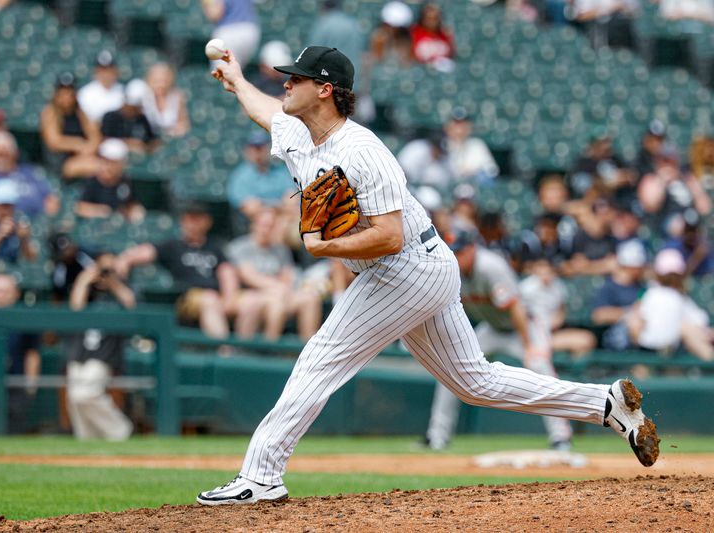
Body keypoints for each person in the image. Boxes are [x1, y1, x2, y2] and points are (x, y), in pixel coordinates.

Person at [197, 45, 659, 505]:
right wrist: (237, 80)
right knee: (475, 384)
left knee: (321, 357)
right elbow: (266, 112)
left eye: (296, 78)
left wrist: (326, 246)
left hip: (405, 265)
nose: (286, 83)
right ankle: (605, 404)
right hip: (421, 267)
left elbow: (390, 236)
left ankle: (261, 475)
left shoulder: (363, 152)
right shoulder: (298, 132)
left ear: (325, 90)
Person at [426, 229, 575, 451]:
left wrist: (529, 346)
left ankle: (561, 436)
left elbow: (515, 308)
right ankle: (437, 436)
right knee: (450, 370)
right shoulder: (450, 268)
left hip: (523, 325)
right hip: (493, 327)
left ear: (472, 249)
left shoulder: (490, 266)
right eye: (453, 252)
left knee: (539, 366)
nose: (456, 256)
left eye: (460, 252)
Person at [115, 202, 265, 339]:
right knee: (209, 299)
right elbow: (148, 251)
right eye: (188, 219)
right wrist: (125, 259)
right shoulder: (174, 246)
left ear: (207, 222)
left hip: (219, 295)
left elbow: (226, 272)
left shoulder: (214, 247)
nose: (192, 224)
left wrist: (229, 298)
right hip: (189, 297)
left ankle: (242, 348)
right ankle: (224, 351)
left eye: (197, 219)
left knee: (253, 301)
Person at [66, 253, 135, 441]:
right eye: (102, 268)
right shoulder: (89, 291)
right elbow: (75, 308)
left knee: (85, 395)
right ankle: (87, 441)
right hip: (79, 353)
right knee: (74, 399)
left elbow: (131, 302)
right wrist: (85, 279)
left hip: (103, 355)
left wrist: (113, 281)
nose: (104, 273)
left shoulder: (119, 291)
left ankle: (120, 430)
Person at [226, 208, 322, 340]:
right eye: (264, 225)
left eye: (271, 226)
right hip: (252, 295)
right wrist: (277, 287)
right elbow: (249, 277)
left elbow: (287, 277)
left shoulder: (280, 250)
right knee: (275, 303)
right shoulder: (240, 246)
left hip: (280, 294)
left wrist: (280, 288)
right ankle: (270, 348)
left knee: (310, 298)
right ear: (254, 224)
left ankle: (309, 350)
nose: (267, 229)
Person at [626, 248, 714, 361]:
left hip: (656, 348)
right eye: (669, 276)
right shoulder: (657, 294)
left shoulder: (653, 293)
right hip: (654, 347)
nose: (672, 279)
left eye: (673, 276)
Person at [0, 273, 41, 433]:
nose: (2, 295)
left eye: (7, 291)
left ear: (16, 293)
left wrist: (31, 384)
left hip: (16, 382)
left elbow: (32, 353)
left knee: (15, 430)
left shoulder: (25, 320)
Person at [520, 255, 597, 357]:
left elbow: (562, 310)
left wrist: (557, 319)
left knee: (586, 340)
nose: (544, 276)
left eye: (547, 272)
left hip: (551, 333)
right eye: (540, 272)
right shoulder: (526, 288)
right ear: (534, 272)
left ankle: (571, 371)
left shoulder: (558, 285)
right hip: (531, 336)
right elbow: (519, 316)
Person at [40, 71, 102, 179]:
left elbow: (94, 135)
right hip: (61, 162)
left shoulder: (80, 111)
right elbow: (54, 141)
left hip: (84, 157)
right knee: (99, 168)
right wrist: (78, 145)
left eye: (70, 92)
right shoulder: (50, 112)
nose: (67, 96)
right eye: (63, 92)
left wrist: (90, 149)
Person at [592, 239, 648, 350]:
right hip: (615, 335)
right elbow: (599, 315)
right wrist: (629, 313)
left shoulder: (642, 287)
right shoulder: (609, 287)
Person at [226, 130, 295, 220]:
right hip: (254, 224)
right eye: (255, 148)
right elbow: (250, 208)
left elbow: (291, 202)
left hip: (282, 221)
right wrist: (278, 207)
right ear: (247, 150)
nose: (258, 152)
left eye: (262, 147)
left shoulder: (283, 172)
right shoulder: (240, 176)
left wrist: (264, 205)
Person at [75, 139, 145, 222]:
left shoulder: (125, 181)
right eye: (105, 161)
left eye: (113, 162)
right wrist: (100, 211)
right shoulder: (91, 181)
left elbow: (131, 203)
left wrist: (134, 210)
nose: (108, 166)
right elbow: (79, 207)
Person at [100, 79, 158, 155]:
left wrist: (146, 146)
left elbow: (151, 139)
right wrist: (127, 143)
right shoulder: (110, 117)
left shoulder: (142, 119)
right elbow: (104, 140)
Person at [444, 107, 499, 185]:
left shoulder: (477, 145)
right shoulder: (441, 144)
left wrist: (474, 172)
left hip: (472, 187)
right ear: (448, 126)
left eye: (463, 124)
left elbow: (492, 171)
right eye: (456, 123)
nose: (459, 128)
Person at [201, 0, 261, 65]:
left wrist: (206, 3)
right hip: (251, 31)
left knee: (222, 71)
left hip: (229, 32)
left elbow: (215, 14)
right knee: (235, 70)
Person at [141, 62, 190, 138]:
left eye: (164, 80)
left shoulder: (178, 97)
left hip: (172, 139)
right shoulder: (142, 97)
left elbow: (184, 124)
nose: (161, 85)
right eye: (157, 81)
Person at [77, 50, 125, 124]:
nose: (106, 74)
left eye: (109, 69)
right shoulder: (85, 93)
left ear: (115, 70)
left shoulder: (123, 91)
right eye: (103, 70)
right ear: (96, 71)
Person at [663, 209, 714, 276]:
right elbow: (676, 278)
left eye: (693, 230)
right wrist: (697, 257)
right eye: (688, 230)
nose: (691, 233)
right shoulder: (673, 246)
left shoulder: (705, 245)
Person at [49, 232, 96, 303]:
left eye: (69, 247)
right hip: (70, 300)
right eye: (65, 250)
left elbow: (96, 272)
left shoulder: (82, 255)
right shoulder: (60, 268)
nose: (69, 251)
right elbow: (57, 293)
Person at [410, 3, 455, 72]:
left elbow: (452, 55)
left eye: (435, 18)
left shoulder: (445, 33)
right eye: (429, 18)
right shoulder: (413, 32)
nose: (432, 22)